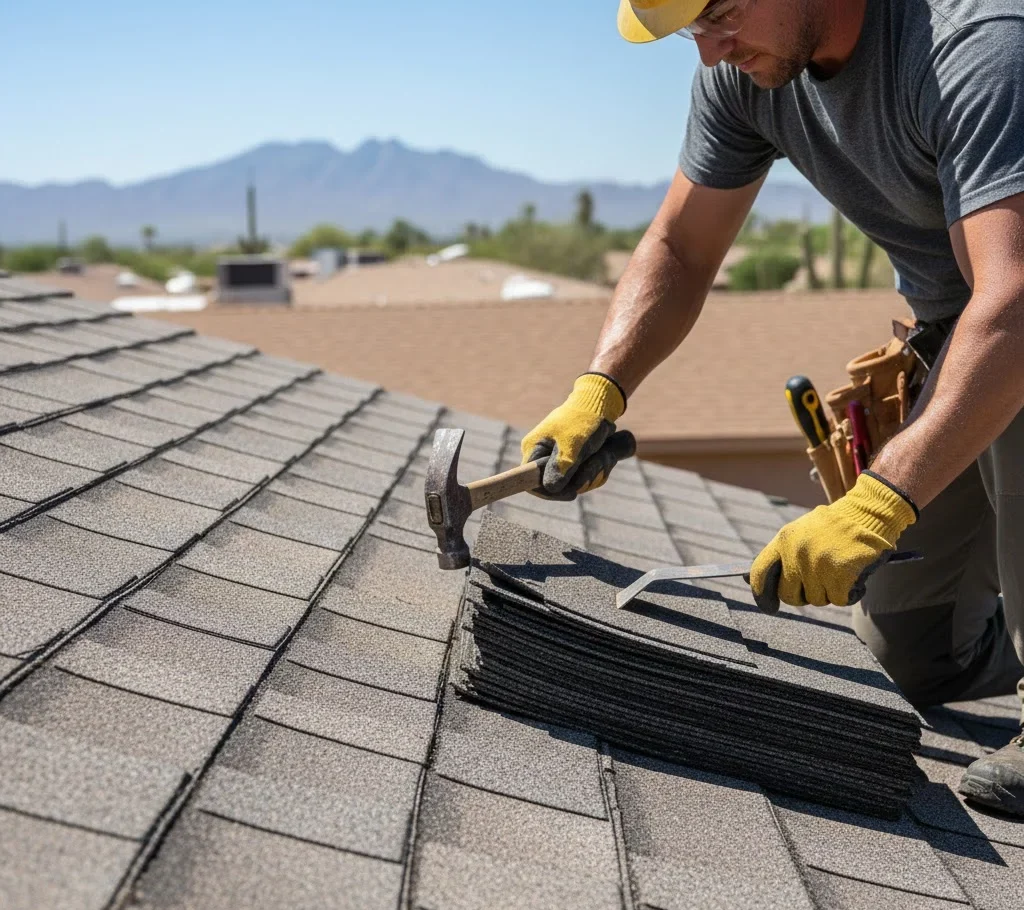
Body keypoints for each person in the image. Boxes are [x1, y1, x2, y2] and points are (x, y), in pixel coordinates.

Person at [520, 0, 1024, 816]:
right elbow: (681, 250)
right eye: (692, 32)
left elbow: (1016, 302)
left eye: (720, 14)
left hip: (1016, 318)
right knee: (914, 653)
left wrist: (881, 498)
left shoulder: (978, 47)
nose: (713, 51)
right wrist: (598, 389)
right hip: (971, 329)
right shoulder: (745, 74)